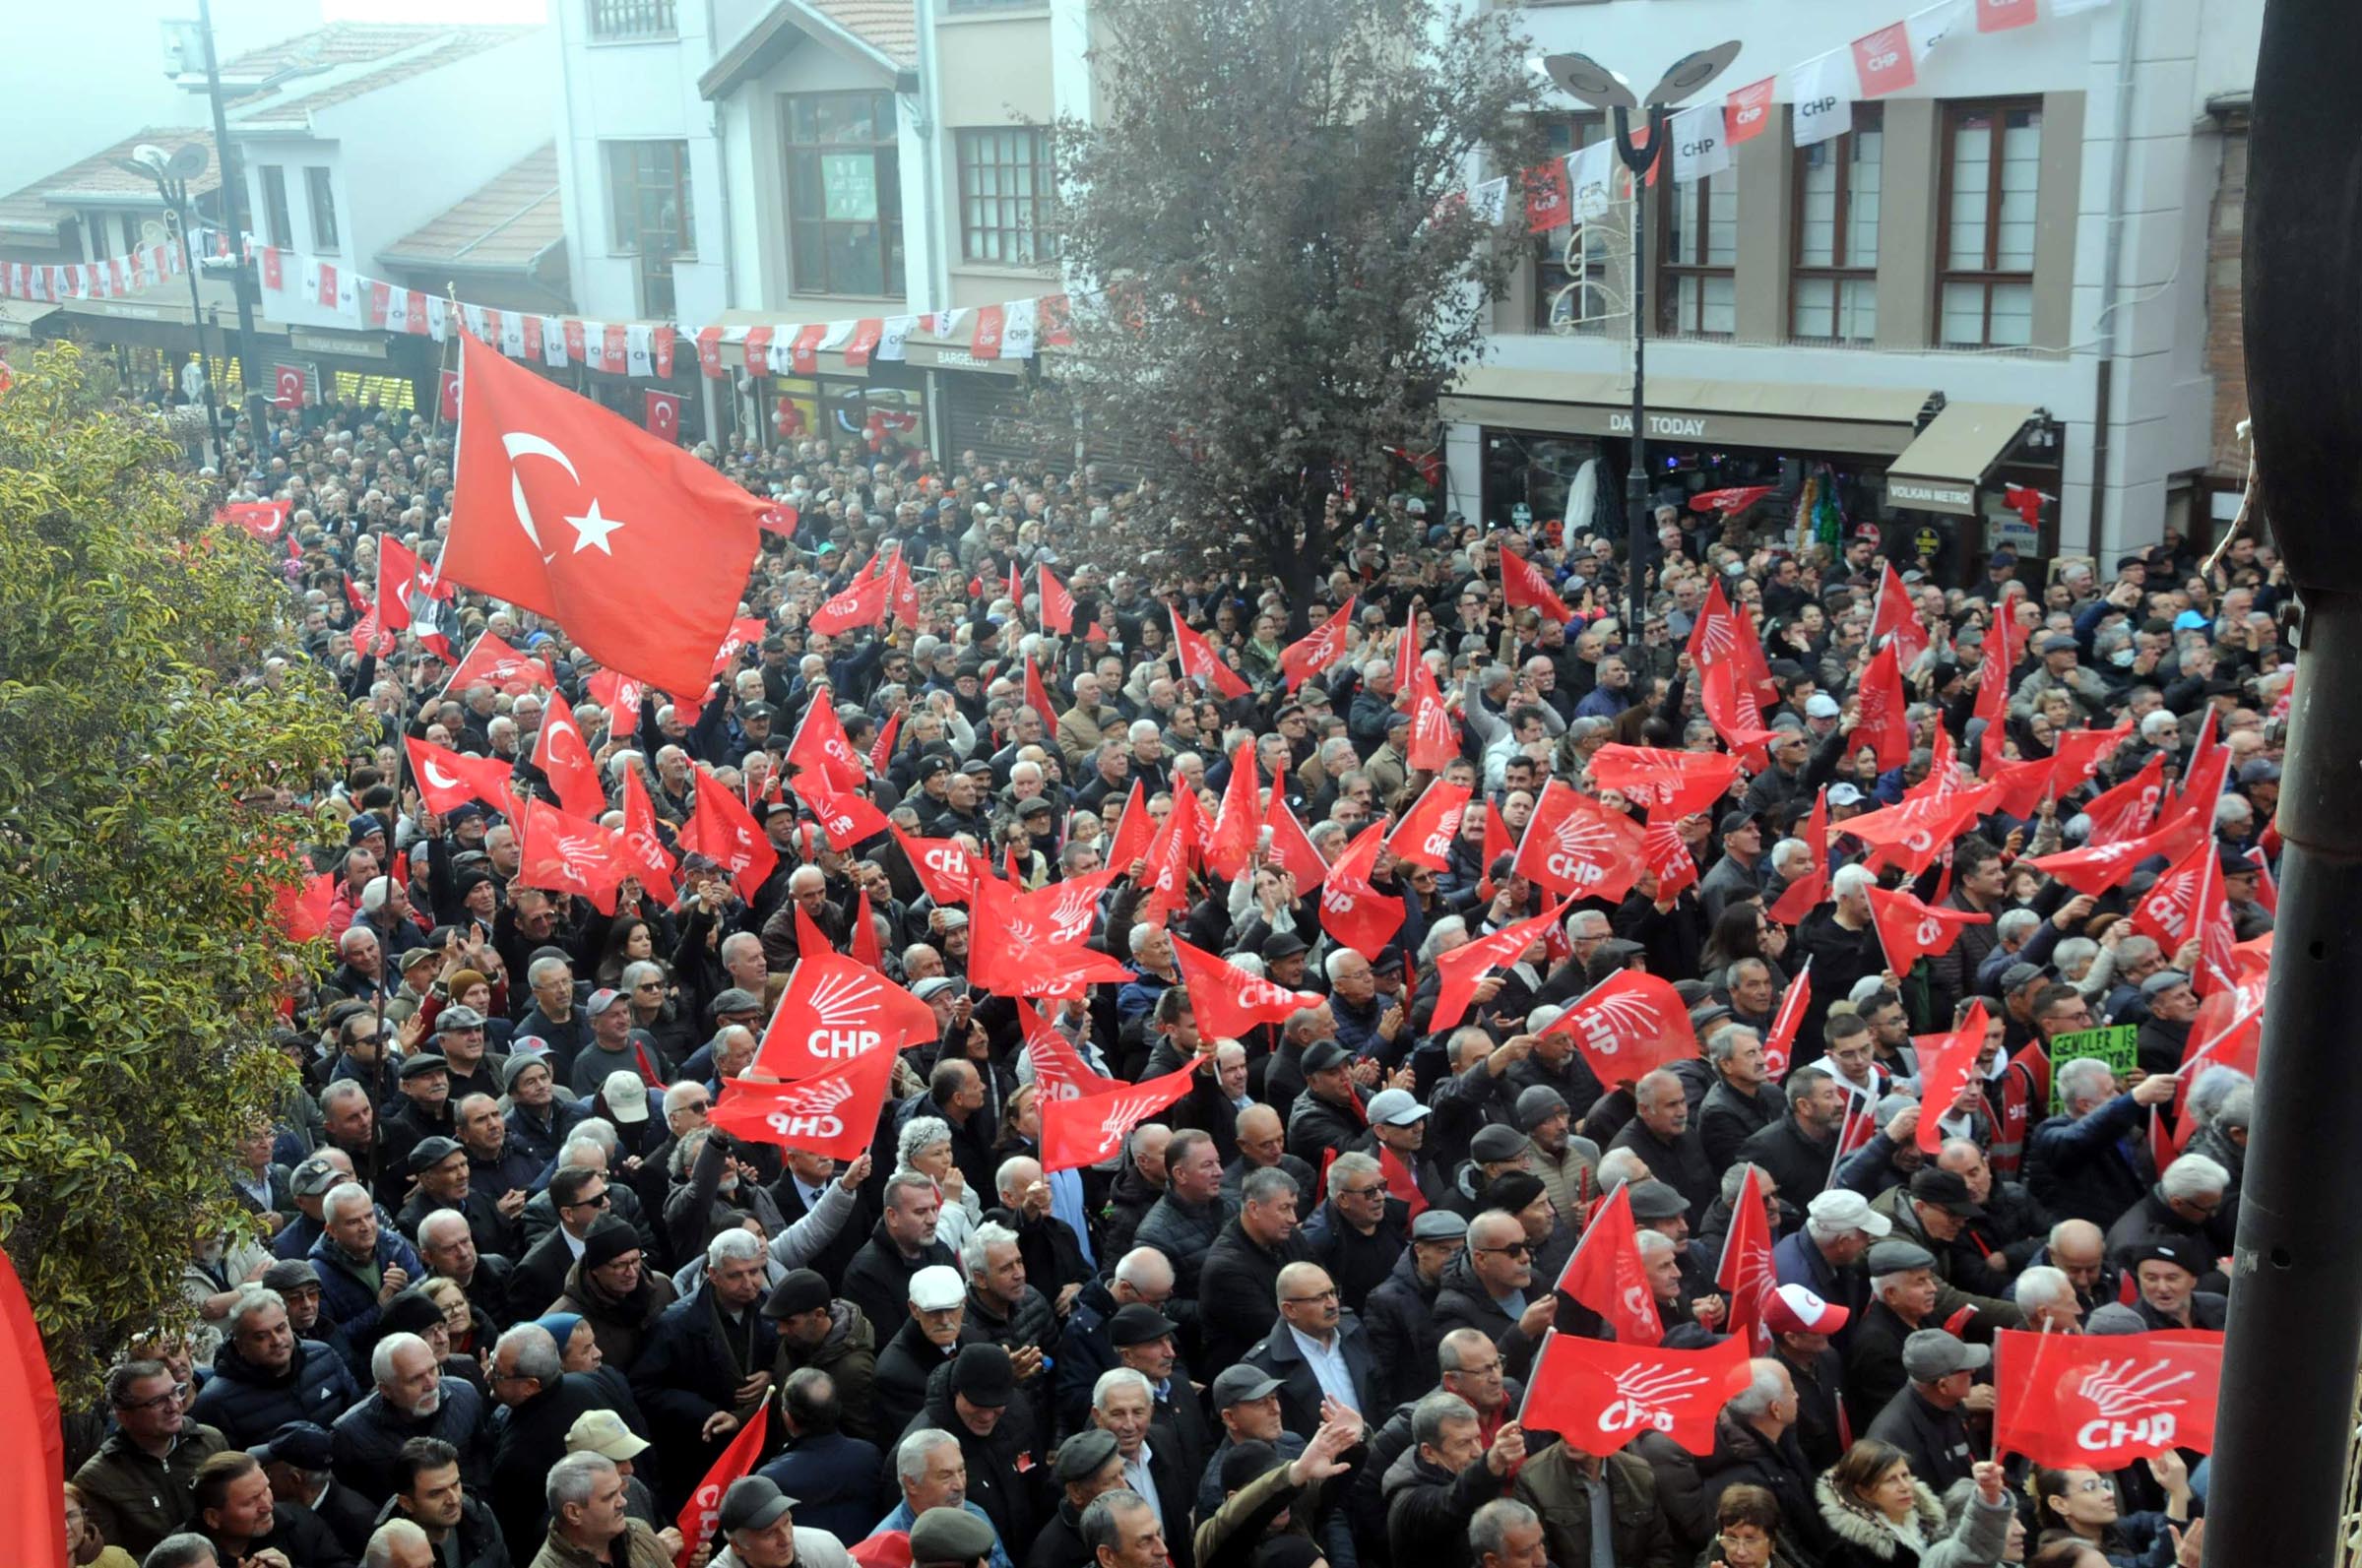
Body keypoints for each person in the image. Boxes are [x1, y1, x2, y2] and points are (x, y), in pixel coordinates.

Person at [75, 1359, 230, 1560]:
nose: (174, 1406)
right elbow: (111, 1560)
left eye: (176, 1392)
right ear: (123, 1416)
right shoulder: (97, 1480)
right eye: (157, 1401)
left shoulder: (210, 1441)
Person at [1813, 1442, 2015, 1568]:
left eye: (1905, 1475)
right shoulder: (1849, 1555)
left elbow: (1969, 1554)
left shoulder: (1933, 1525)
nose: (1905, 1487)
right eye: (1890, 1480)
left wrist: (1987, 1496)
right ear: (1863, 1490)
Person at [2030, 1457, 2199, 1568]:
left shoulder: (2112, 1529)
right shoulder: (2067, 1556)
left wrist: (2181, 1491)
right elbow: (2153, 1564)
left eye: (2104, 1484)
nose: (2108, 1494)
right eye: (2090, 1487)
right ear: (2059, 1504)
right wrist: (2177, 1494)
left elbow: (2185, 1522)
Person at [527, 1452, 678, 1567]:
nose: (623, 1502)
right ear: (573, 1513)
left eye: (620, 1491)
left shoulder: (640, 1532)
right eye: (610, 1496)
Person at [707, 1474, 858, 1568]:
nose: (786, 1539)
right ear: (737, 1546)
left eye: (786, 1523)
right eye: (769, 1533)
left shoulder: (825, 1548)